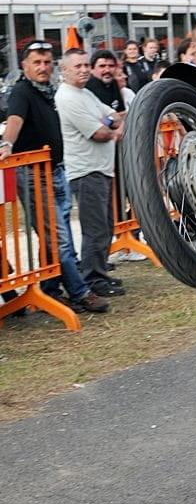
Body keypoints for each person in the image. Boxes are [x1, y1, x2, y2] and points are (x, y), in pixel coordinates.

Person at [0, 41, 108, 313]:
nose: (43, 67)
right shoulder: (21, 92)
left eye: (47, 62)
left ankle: (50, 288)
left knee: (56, 236)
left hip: (56, 169)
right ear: (24, 66)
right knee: (59, 236)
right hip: (35, 174)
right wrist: (7, 144)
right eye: (37, 62)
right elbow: (14, 120)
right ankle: (79, 292)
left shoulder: (48, 91)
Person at [55, 48, 126, 298]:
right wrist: (113, 129)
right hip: (86, 170)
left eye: (86, 65)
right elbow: (99, 132)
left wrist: (110, 124)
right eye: (78, 66)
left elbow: (112, 115)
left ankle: (100, 273)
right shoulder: (67, 97)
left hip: (101, 168)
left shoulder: (85, 93)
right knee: (94, 228)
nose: (84, 70)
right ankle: (94, 278)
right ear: (64, 71)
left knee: (105, 225)